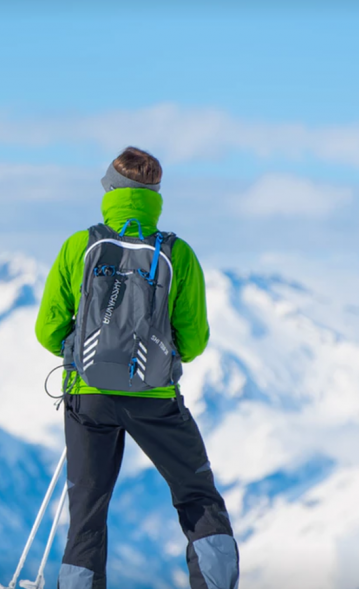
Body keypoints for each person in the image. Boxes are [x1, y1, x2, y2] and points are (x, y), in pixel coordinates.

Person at [34, 147, 239, 589]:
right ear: (156, 194)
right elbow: (196, 340)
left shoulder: (79, 246)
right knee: (197, 497)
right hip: (155, 399)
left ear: (109, 190)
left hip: (88, 396)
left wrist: (82, 349)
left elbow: (47, 331)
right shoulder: (177, 254)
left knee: (86, 513)